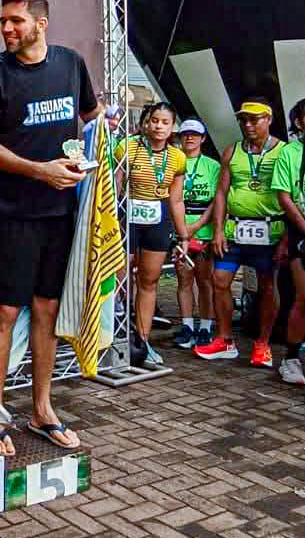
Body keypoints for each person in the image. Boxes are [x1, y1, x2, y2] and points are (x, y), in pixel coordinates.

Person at [0, 0, 100, 456]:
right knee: (5, 312)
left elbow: (93, 118)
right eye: (3, 21)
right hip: (12, 212)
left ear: (40, 24)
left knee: (47, 310)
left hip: (62, 213)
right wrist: (39, 170)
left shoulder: (70, 64)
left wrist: (96, 156)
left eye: (16, 21)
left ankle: (42, 409)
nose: (6, 29)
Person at [194, 100, 286, 366]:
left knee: (267, 286)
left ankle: (262, 344)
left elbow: (290, 193)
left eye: (254, 119)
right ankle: (224, 340)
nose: (248, 125)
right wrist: (218, 231)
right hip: (235, 230)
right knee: (220, 280)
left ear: (268, 119)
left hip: (270, 230)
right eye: (244, 120)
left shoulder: (284, 151)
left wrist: (285, 239)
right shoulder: (232, 151)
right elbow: (221, 193)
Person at [114, 102, 188, 365]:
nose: (158, 126)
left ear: (172, 127)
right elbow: (115, 187)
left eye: (165, 122)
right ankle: (116, 338)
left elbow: (176, 200)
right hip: (127, 218)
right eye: (154, 120)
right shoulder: (127, 147)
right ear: (147, 123)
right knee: (121, 280)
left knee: (149, 280)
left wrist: (184, 237)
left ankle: (143, 342)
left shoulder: (178, 157)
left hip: (158, 220)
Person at [173, 118, 220, 348]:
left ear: (203, 138)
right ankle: (187, 325)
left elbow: (217, 200)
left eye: (194, 134)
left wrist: (198, 225)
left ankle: (205, 326)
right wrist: (182, 230)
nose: (189, 138)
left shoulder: (213, 166)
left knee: (204, 279)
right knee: (184, 278)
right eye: (185, 134)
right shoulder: (173, 161)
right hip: (179, 229)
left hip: (204, 229)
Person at [272, 99, 305, 384]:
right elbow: (284, 196)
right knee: (303, 298)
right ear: (298, 122)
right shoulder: (290, 153)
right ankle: (291, 358)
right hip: (300, 233)